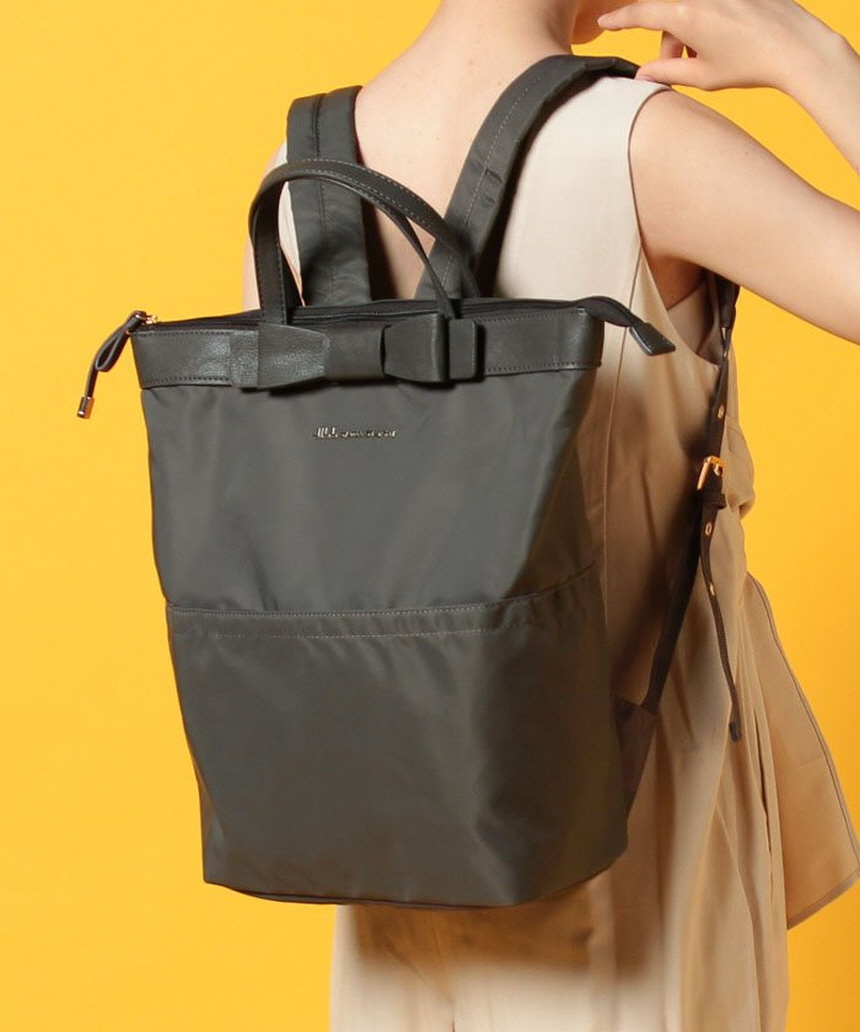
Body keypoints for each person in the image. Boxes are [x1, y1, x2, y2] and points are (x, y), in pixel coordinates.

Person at [243, 1, 860, 1029]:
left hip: (400, 838)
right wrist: (814, 58)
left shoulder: (301, 175)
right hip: (627, 816)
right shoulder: (643, 147)